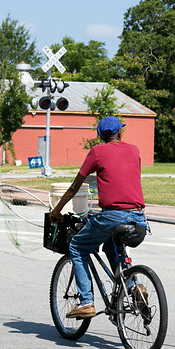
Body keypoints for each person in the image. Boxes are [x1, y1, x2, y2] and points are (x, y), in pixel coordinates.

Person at [50, 116, 146, 319]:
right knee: (112, 247)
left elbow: (75, 187)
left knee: (77, 246)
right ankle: (134, 287)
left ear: (101, 136)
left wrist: (56, 211)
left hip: (112, 216)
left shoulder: (97, 152)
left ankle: (86, 302)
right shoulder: (134, 150)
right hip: (139, 217)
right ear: (120, 132)